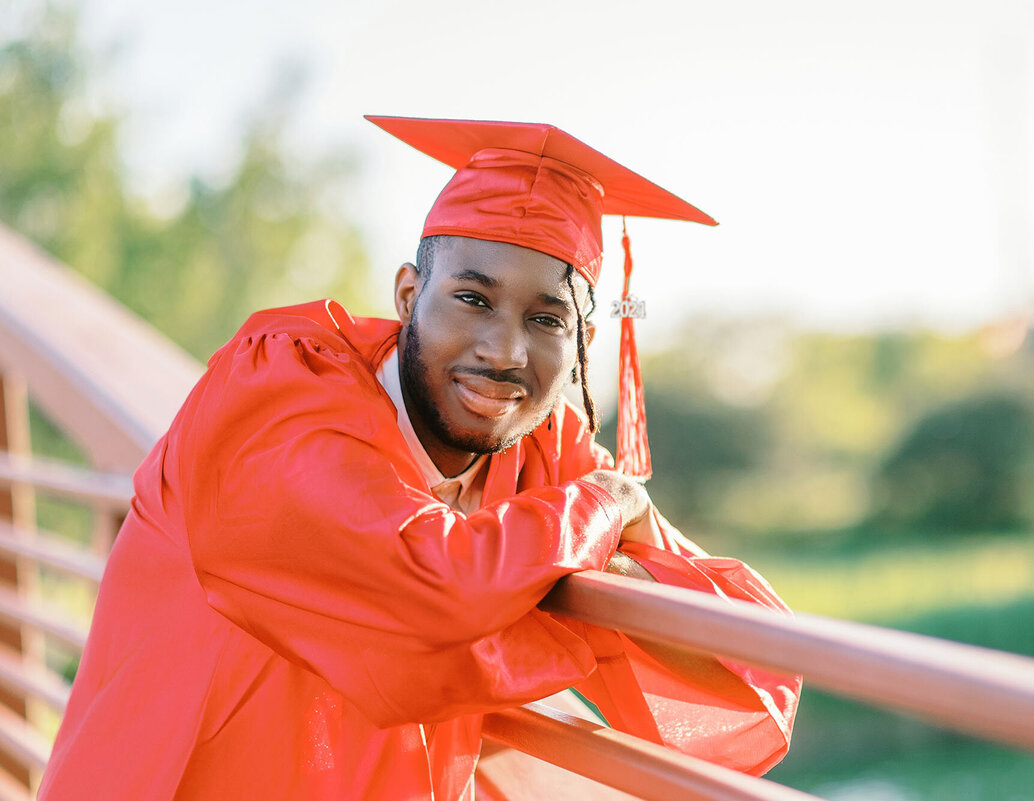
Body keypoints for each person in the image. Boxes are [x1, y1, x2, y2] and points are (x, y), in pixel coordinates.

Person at [39, 117, 800, 800]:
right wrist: (605, 515)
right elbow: (423, 601)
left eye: (546, 318)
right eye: (472, 298)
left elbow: (753, 678)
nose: (505, 351)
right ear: (408, 294)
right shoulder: (273, 400)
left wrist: (604, 567)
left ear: (582, 347)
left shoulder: (545, 455)